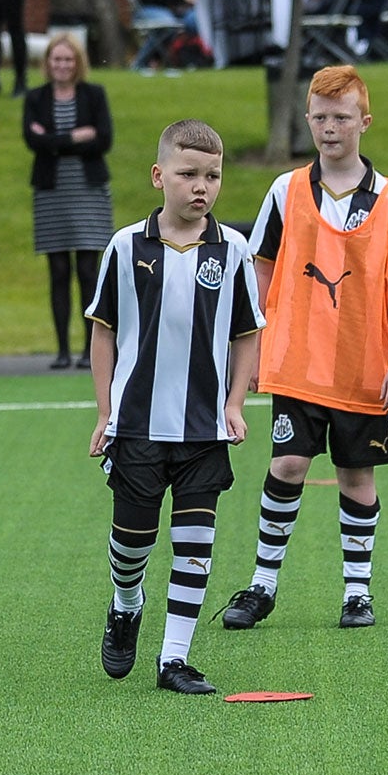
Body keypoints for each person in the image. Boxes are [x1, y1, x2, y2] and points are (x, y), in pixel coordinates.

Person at [221, 65, 388, 635]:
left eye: (341, 116)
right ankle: (262, 586)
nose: (329, 127)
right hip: (297, 362)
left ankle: (357, 594)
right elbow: (261, 271)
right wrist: (255, 351)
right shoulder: (285, 191)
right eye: (319, 116)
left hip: (363, 368)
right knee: (286, 464)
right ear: (306, 120)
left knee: (356, 475)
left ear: (364, 121)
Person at [86, 119, 263, 696]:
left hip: (204, 429)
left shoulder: (233, 250)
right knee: (132, 544)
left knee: (195, 546)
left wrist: (235, 403)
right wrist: (104, 410)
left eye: (212, 176)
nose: (201, 187)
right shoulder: (125, 246)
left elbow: (246, 334)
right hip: (137, 426)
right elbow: (104, 332)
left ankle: (174, 659)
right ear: (159, 176)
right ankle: (126, 602)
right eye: (188, 174)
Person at [24, 34, 113, 369]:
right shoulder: (36, 98)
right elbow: (33, 140)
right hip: (52, 191)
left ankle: (90, 349)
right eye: (56, 59)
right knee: (58, 269)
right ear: (47, 63)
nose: (61, 65)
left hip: (87, 191)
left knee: (88, 271)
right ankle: (62, 349)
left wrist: (53, 140)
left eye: (67, 59)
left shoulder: (94, 95)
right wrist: (76, 136)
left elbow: (103, 138)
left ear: (78, 63)